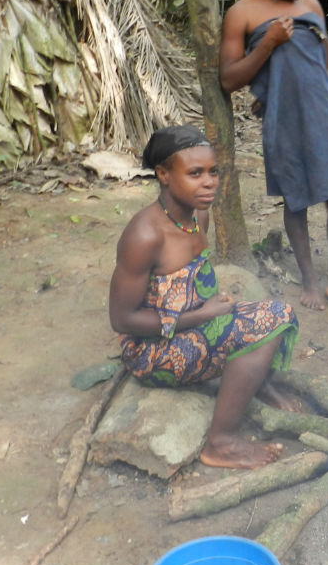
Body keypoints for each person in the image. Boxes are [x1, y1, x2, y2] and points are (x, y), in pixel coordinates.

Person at [109, 125, 300, 469]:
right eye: (195, 173)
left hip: (192, 324)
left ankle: (254, 382)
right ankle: (220, 443)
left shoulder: (198, 215)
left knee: (278, 315)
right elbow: (121, 320)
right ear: (164, 175)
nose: (210, 182)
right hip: (152, 350)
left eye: (213, 172)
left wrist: (205, 306)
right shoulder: (143, 235)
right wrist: (200, 316)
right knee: (266, 323)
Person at [220, 0, 328, 313]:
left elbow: (319, 62)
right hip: (282, 119)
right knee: (295, 199)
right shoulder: (242, 14)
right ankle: (311, 282)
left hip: (323, 112)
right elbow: (229, 79)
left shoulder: (312, 5)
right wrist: (268, 45)